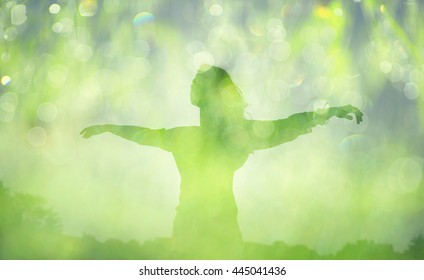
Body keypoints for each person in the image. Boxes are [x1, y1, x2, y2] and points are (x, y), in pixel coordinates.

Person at [81, 65, 363, 258]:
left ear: (208, 94)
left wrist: (330, 112)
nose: (191, 85)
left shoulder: (227, 137)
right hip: (194, 229)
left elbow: (286, 126)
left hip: (214, 230)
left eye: (197, 82)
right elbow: (144, 135)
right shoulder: (201, 137)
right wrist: (110, 128)